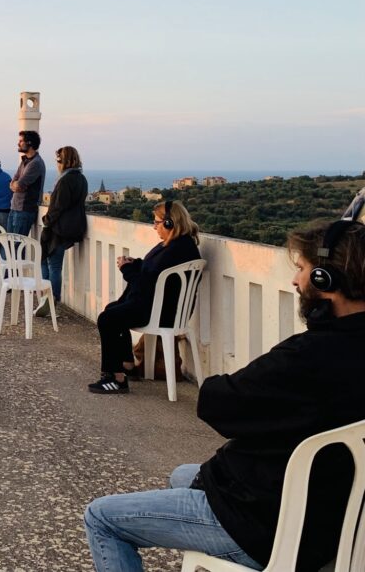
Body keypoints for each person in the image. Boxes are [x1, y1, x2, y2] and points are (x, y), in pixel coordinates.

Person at [84, 219, 365, 572]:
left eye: (302, 269)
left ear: (326, 279)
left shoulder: (308, 356)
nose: (296, 281)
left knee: (101, 518)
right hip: (328, 518)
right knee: (183, 475)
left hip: (262, 525)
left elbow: (217, 404)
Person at [89, 200, 200, 394]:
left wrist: (126, 269)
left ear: (170, 223)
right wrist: (135, 263)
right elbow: (154, 271)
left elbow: (145, 284)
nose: (154, 227)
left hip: (159, 311)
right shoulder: (181, 245)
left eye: (157, 222)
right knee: (112, 310)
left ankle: (115, 378)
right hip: (164, 307)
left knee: (107, 319)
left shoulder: (174, 250)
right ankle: (128, 365)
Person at [36, 145, 88, 316]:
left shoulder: (65, 180)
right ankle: (49, 298)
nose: (57, 164)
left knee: (51, 263)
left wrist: (47, 221)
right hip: (74, 226)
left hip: (59, 228)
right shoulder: (81, 179)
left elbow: (58, 206)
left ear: (63, 161)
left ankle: (50, 298)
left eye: (58, 160)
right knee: (50, 261)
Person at [8, 130, 45, 237]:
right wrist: (16, 185)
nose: (18, 143)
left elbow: (19, 184)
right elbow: (13, 183)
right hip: (15, 207)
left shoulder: (36, 163)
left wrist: (17, 185)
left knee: (17, 244)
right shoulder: (25, 161)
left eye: (21, 141)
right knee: (10, 243)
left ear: (29, 143)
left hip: (25, 210)